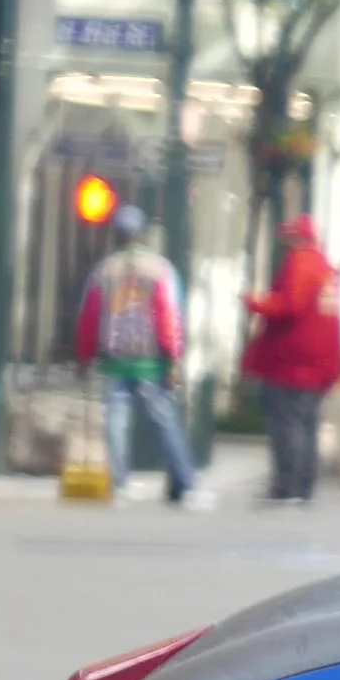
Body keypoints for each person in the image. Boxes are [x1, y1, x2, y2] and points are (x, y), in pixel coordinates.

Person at [72, 211, 200, 507]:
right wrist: (173, 357)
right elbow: (169, 316)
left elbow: (89, 316)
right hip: (151, 360)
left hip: (116, 358)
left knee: (116, 421)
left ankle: (121, 483)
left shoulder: (104, 271)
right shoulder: (160, 270)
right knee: (166, 422)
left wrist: (84, 355)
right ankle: (185, 482)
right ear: (142, 234)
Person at [239, 214, 340, 505]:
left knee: (287, 426)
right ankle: (304, 486)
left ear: (298, 237)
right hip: (319, 363)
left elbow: (290, 305)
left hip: (292, 362)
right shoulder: (324, 266)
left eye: (290, 236)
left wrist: (255, 302)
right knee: (307, 424)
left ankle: (288, 486)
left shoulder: (299, 262)